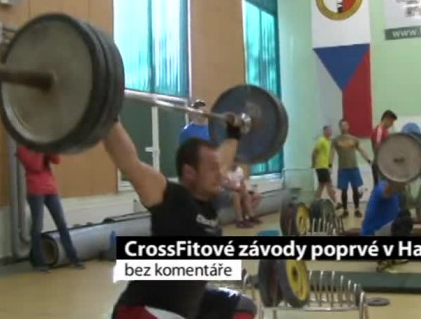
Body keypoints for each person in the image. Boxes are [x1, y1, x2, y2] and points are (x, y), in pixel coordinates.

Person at [105, 120, 257, 318]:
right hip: (144, 309)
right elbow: (130, 164)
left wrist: (234, 133)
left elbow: (224, 159)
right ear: (189, 173)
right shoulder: (172, 198)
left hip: (185, 307)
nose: (220, 174)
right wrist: (107, 117)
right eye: (213, 168)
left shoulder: (210, 202)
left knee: (243, 308)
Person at [17, 146, 84, 271]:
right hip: (35, 190)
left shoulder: (42, 147)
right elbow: (35, 166)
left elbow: (56, 160)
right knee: (37, 226)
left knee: (61, 223)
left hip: (50, 189)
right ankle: (39, 262)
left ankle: (73, 257)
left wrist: (49, 148)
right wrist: (41, 149)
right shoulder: (23, 149)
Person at [360, 180, 412, 273]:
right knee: (404, 222)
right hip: (372, 235)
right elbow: (386, 193)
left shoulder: (396, 194)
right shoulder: (381, 188)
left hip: (381, 231)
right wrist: (395, 179)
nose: (404, 185)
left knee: (405, 214)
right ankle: (384, 261)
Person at [330, 119, 372, 218]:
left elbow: (361, 150)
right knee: (343, 191)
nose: (344, 127)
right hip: (342, 169)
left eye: (345, 125)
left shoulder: (354, 139)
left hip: (353, 168)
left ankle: (357, 210)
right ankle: (345, 211)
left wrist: (369, 160)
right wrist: (329, 165)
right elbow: (332, 153)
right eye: (342, 125)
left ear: (348, 126)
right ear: (339, 127)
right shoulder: (335, 140)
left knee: (355, 189)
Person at [215, 162, 262, 228]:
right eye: (234, 162)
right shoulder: (225, 171)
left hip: (238, 189)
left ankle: (250, 216)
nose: (236, 164)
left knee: (254, 195)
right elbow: (224, 185)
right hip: (227, 191)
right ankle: (240, 220)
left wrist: (243, 190)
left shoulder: (239, 169)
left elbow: (242, 182)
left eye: (237, 163)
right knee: (236, 195)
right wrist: (237, 188)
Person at [370, 110, 397, 186]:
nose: (391, 124)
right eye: (391, 122)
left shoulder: (385, 131)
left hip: (384, 164)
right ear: (386, 119)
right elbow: (377, 147)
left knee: (385, 188)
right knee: (380, 188)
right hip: (380, 165)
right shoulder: (379, 130)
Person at [312, 126, 337, 204]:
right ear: (324, 131)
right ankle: (336, 203)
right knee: (329, 184)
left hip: (325, 166)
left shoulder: (329, 142)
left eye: (331, 130)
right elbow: (314, 153)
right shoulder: (321, 140)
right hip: (321, 166)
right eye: (328, 130)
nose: (330, 132)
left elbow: (331, 154)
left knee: (321, 185)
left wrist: (330, 165)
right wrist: (313, 164)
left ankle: (315, 202)